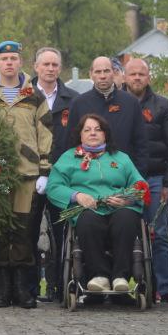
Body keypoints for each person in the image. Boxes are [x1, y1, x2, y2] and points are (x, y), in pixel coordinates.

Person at [0, 40, 52, 309]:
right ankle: (3, 287)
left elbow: (45, 134)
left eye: (13, 58)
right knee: (0, 230)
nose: (9, 63)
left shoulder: (35, 96)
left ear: (20, 63)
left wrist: (43, 169)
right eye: (4, 59)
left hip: (27, 173)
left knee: (24, 231)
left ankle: (23, 288)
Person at [46, 113, 145, 293]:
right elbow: (53, 186)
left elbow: (141, 186)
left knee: (126, 218)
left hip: (118, 208)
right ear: (80, 135)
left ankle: (120, 276)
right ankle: (99, 275)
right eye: (88, 130)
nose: (93, 133)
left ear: (105, 134)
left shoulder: (121, 158)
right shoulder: (69, 158)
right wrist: (76, 196)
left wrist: (127, 197)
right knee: (87, 220)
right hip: (87, 209)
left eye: (98, 129)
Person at [124, 57, 168, 302]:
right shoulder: (118, 104)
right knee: (124, 229)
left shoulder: (163, 106)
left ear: (148, 77)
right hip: (123, 179)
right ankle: (122, 283)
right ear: (124, 77)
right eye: (132, 74)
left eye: (141, 74)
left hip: (156, 178)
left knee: (158, 233)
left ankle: (164, 288)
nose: (137, 78)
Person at [32, 46, 78, 302]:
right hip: (31, 174)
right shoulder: (24, 95)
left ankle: (59, 284)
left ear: (60, 68)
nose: (50, 69)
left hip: (63, 175)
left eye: (54, 65)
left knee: (61, 233)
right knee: (30, 233)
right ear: (36, 67)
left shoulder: (73, 99)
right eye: (45, 65)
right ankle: (29, 286)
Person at [63, 56, 148, 174]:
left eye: (106, 71)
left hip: (124, 174)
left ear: (114, 73)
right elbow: (70, 143)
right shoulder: (78, 104)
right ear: (91, 74)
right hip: (88, 175)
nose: (102, 76)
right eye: (98, 72)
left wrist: (138, 175)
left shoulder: (131, 103)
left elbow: (141, 143)